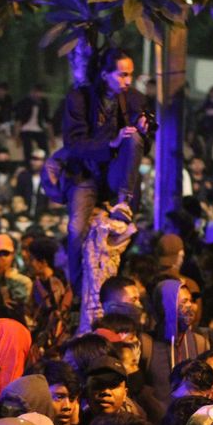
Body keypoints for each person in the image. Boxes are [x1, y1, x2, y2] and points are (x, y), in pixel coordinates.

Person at [60, 48, 152, 294]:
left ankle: (124, 201)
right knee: (75, 229)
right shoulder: (80, 98)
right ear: (104, 74)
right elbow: (73, 143)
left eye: (131, 74)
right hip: (85, 174)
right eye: (122, 75)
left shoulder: (134, 99)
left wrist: (142, 132)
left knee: (133, 140)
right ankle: (78, 288)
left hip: (116, 176)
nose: (128, 81)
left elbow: (142, 148)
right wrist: (111, 142)